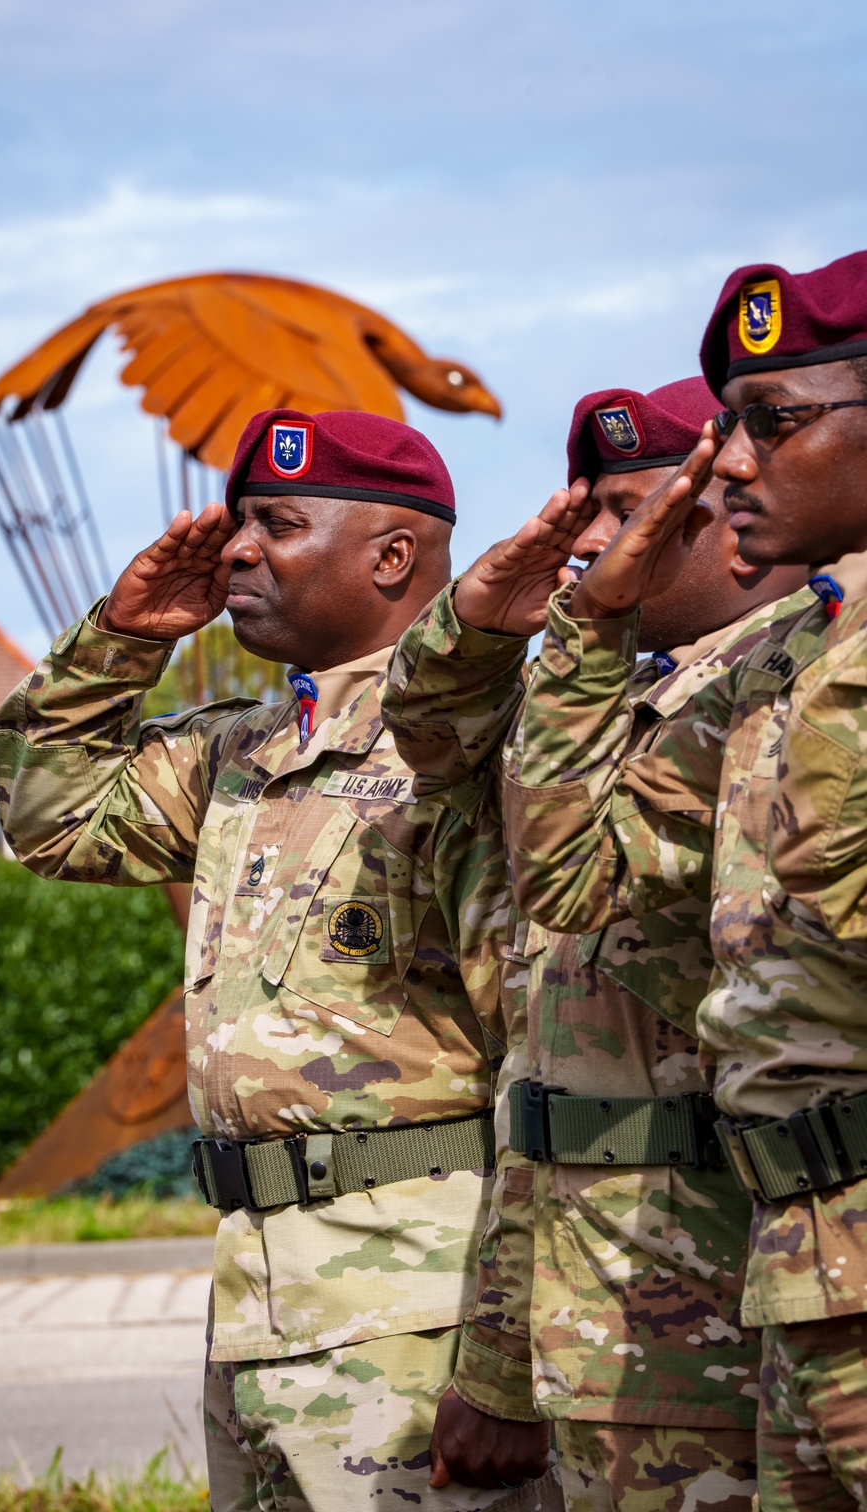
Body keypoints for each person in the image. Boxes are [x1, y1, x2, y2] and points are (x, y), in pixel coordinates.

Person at [0, 407, 559, 1512]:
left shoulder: (476, 750)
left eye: (277, 524)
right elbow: (50, 817)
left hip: (416, 1311)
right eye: (241, 522)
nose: (237, 549)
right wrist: (123, 634)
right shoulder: (245, 750)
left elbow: (542, 1068)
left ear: (393, 557)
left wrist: (504, 1365)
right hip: (254, 1289)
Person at [383, 377, 810, 1512]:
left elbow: (583, 887)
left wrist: (581, 635)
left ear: (734, 517)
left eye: (634, 511)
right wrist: (489, 609)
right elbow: (431, 735)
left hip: (721, 1291)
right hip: (597, 1299)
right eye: (589, 518)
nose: (594, 550)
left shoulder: (778, 689)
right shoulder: (609, 704)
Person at [486, 250, 867, 1512]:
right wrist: (590, 629)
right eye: (732, 425)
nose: (739, 460)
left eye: (775, 421)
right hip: (799, 1259)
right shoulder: (778, 662)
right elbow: (575, 876)